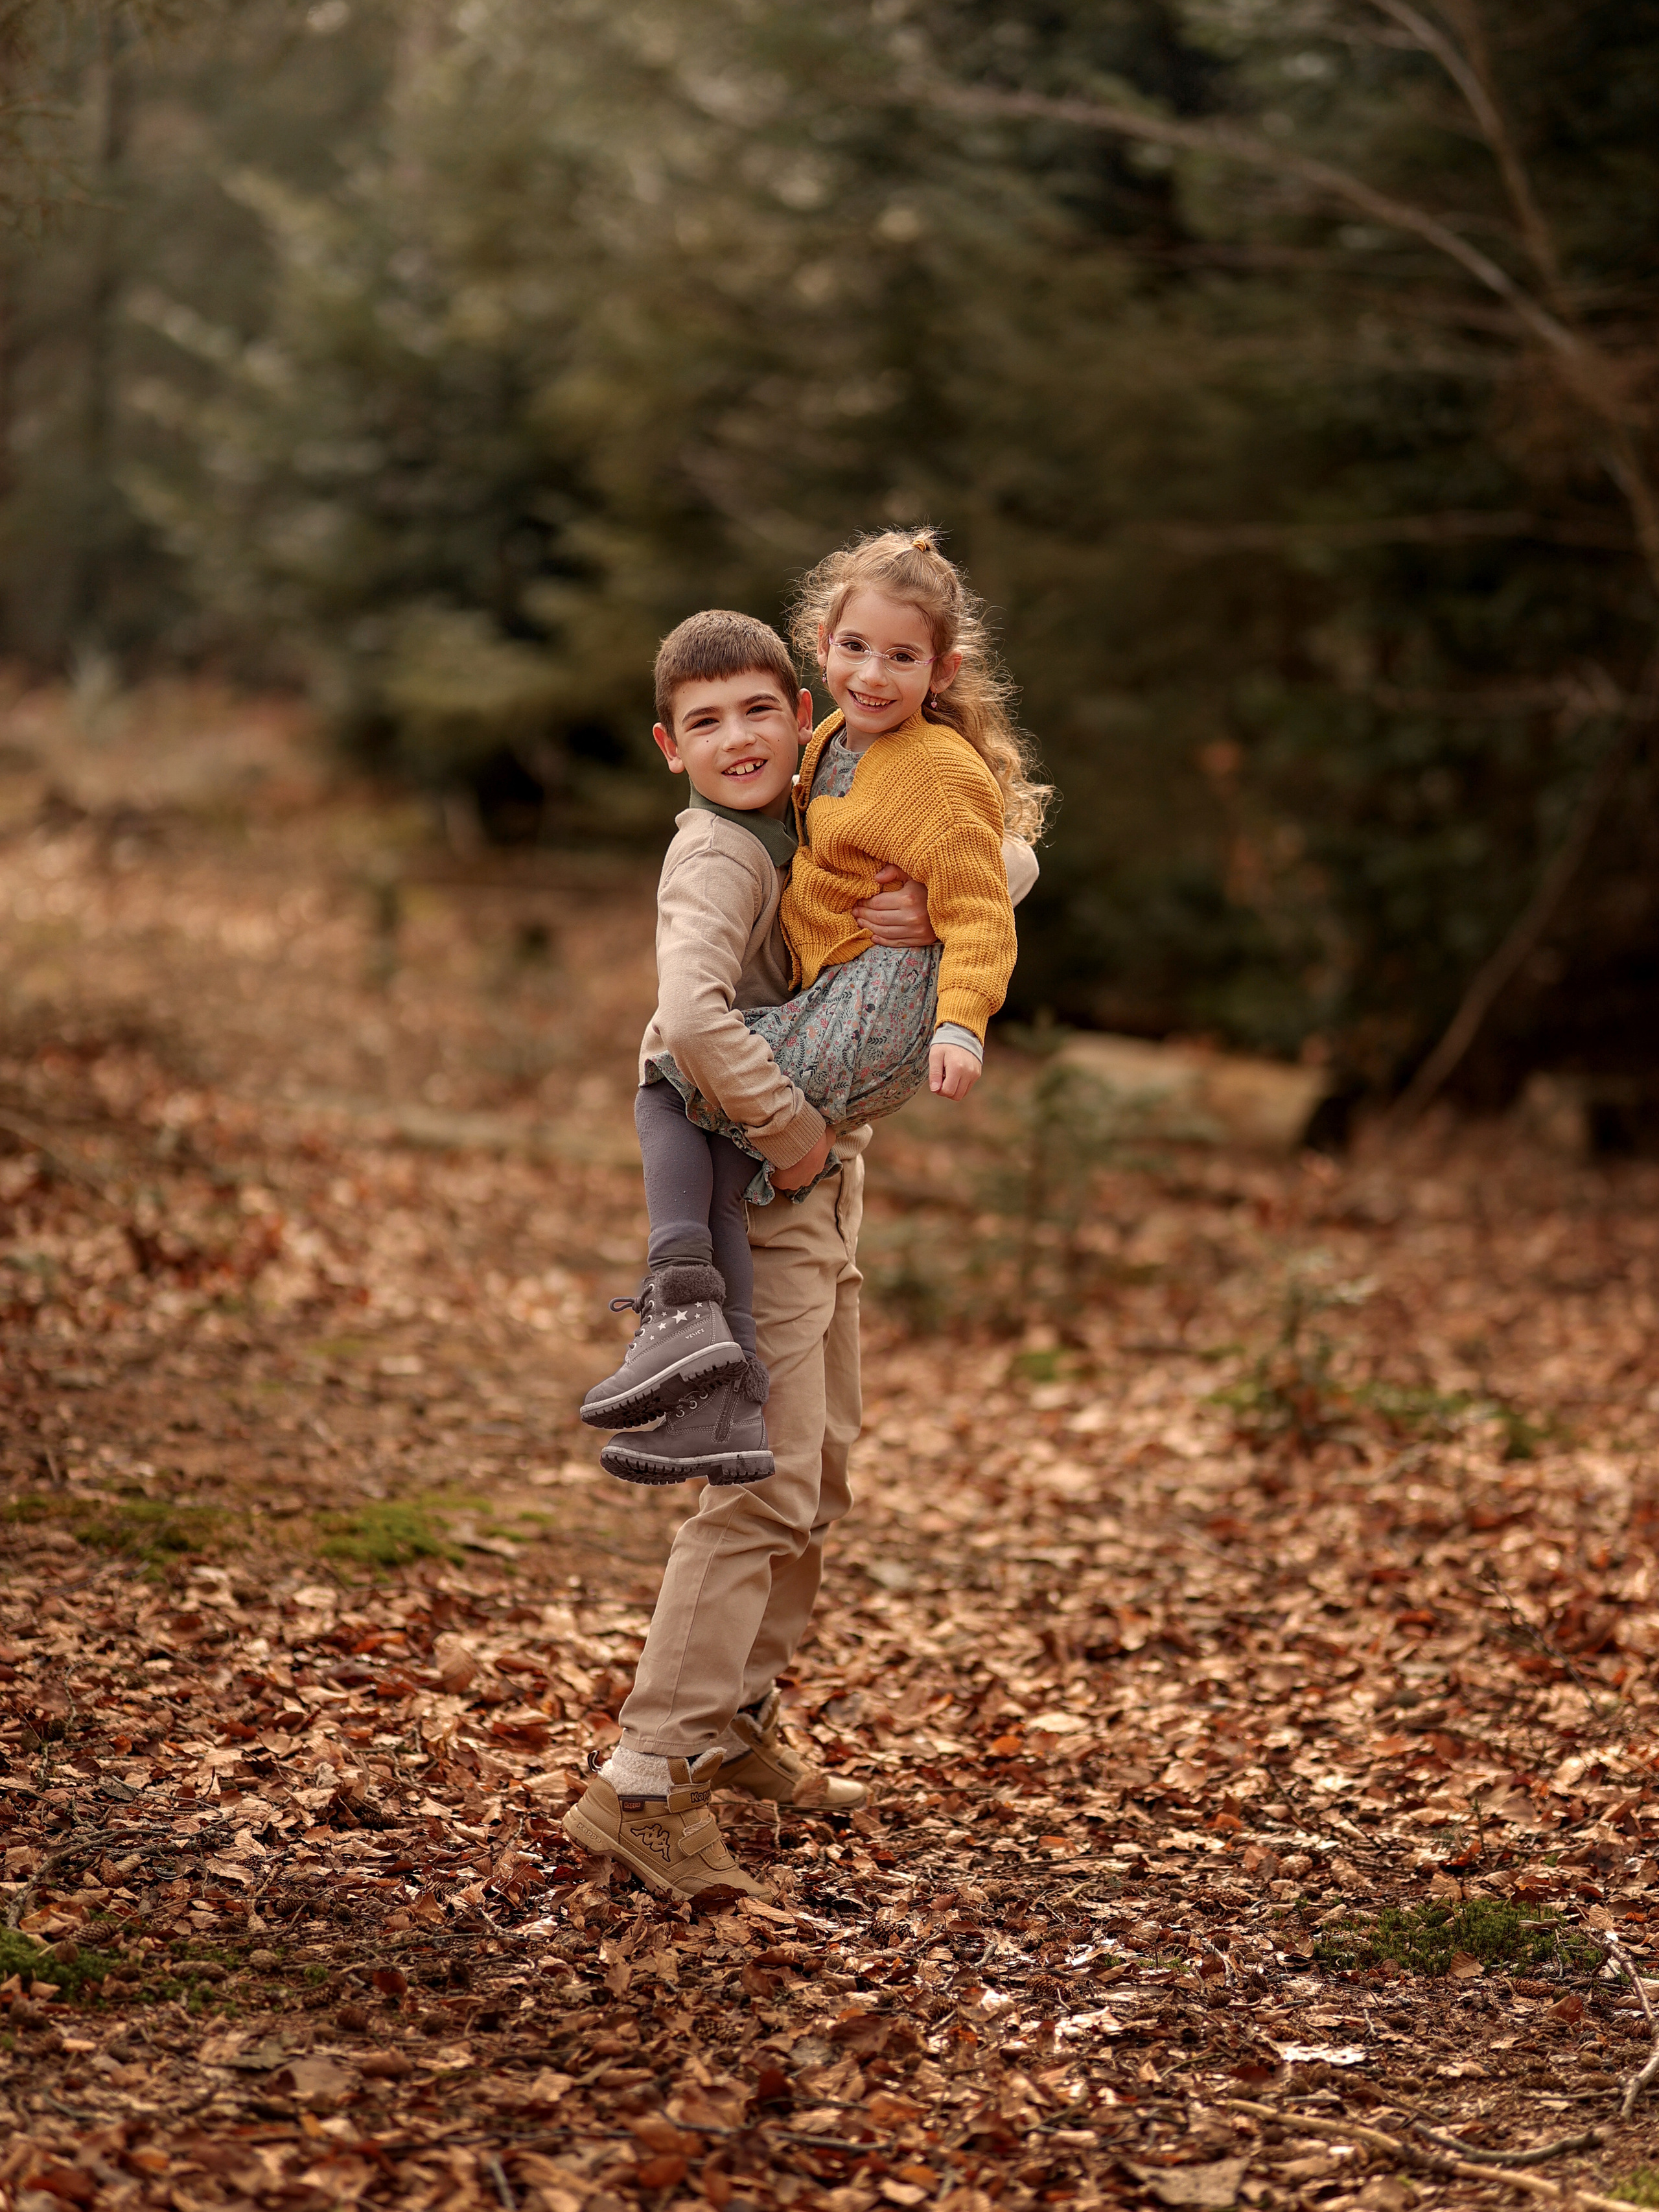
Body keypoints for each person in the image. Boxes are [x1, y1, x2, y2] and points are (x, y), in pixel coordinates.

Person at [563, 535, 1047, 1898]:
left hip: (831, 1181)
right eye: (707, 722)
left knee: (821, 1470)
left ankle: (735, 1723)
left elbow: (983, 856)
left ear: (801, 709)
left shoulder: (834, 782)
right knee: (761, 1487)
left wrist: (944, 901)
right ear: (672, 746)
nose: (740, 738)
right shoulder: (721, 854)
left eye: (757, 710)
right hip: (770, 1171)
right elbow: (687, 1016)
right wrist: (786, 1132)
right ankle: (644, 1776)